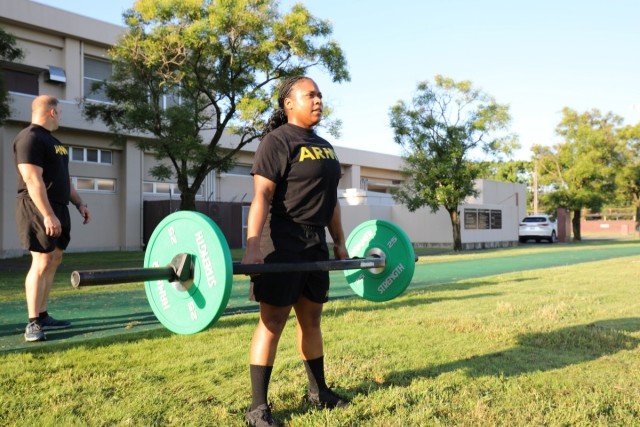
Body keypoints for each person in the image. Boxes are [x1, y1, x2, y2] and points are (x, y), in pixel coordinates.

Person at [241, 76, 350, 427]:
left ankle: (319, 392)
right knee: (272, 322)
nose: (318, 100)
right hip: (282, 242)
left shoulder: (327, 147)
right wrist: (254, 246)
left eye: (320, 94)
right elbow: (261, 196)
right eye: (310, 95)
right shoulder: (277, 142)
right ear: (289, 103)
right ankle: (257, 408)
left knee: (312, 320)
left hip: (314, 242)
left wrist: (340, 242)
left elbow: (331, 201)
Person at [13, 95, 91, 342]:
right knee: (41, 259)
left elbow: (64, 180)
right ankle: (33, 323)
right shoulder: (30, 138)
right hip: (37, 207)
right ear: (52, 113)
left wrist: (80, 204)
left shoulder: (55, 143)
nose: (60, 117)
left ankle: (43, 314)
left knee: (54, 258)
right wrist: (47, 214)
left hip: (59, 206)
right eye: (60, 112)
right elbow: (32, 179)